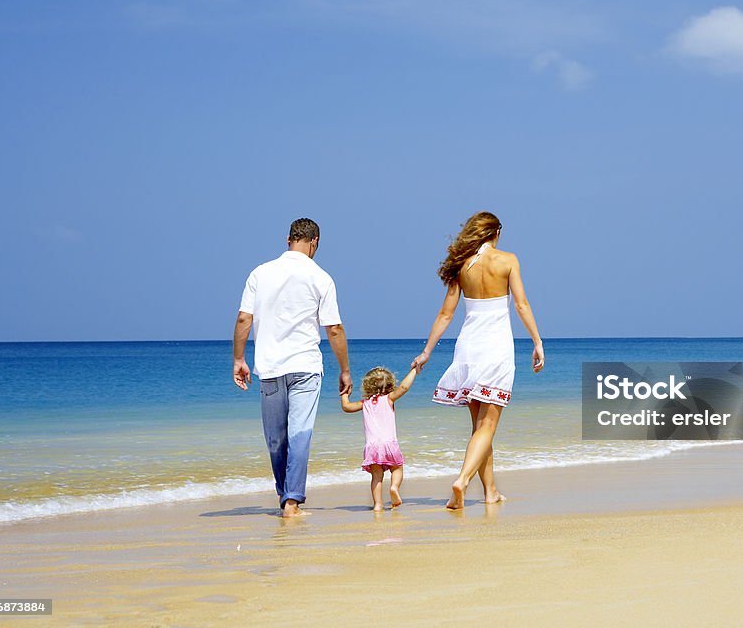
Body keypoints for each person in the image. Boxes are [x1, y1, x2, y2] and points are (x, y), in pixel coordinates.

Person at [411, 212, 544, 510]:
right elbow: (521, 304)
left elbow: (445, 315)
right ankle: (462, 481)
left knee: (480, 429)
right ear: (496, 233)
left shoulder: (461, 266)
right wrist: (537, 342)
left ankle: (491, 492)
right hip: (495, 350)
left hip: (468, 350)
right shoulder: (508, 260)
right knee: (488, 426)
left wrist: (427, 352)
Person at [232, 218, 353, 518]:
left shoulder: (260, 273)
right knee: (300, 433)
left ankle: (283, 493)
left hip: (270, 366)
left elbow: (244, 319)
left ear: (288, 239)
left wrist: (238, 360)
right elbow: (334, 328)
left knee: (276, 438)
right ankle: (292, 502)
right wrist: (345, 370)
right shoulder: (321, 277)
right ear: (315, 243)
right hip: (305, 366)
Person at [340, 366, 417, 511]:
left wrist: (344, 392)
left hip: (372, 447)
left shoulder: (364, 404)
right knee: (397, 468)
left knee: (376, 476)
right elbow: (404, 387)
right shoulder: (389, 399)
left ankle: (378, 505)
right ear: (390, 385)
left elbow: (346, 407)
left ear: (367, 386)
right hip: (389, 444)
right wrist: (414, 371)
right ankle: (394, 487)